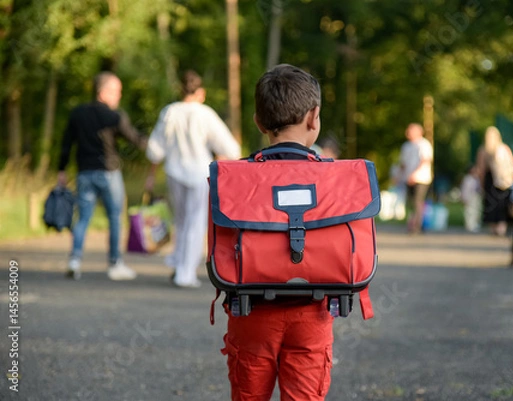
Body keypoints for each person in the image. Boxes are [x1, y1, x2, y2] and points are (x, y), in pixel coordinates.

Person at [220, 64, 333, 401]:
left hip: (250, 311)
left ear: (258, 122)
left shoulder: (235, 179)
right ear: (314, 118)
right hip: (313, 312)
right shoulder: (334, 179)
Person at [145, 70, 241, 288]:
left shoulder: (169, 112)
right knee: (195, 222)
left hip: (174, 171)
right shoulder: (205, 113)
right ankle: (185, 273)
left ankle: (178, 262)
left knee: (180, 219)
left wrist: (150, 175)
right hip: (199, 172)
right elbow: (229, 147)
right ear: (201, 92)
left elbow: (155, 149)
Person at [58, 71, 147, 281]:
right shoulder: (114, 116)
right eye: (116, 91)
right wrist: (154, 146)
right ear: (103, 91)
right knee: (115, 218)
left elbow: (66, 143)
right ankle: (115, 263)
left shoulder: (77, 113)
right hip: (109, 173)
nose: (119, 96)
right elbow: (134, 138)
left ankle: (75, 260)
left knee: (83, 218)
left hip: (84, 173)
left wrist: (61, 170)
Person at [476, 126, 513, 236]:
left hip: (490, 181)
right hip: (504, 181)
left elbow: (481, 169)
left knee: (491, 205)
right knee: (502, 204)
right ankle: (502, 226)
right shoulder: (504, 148)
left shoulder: (483, 150)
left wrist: (481, 183)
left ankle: (494, 228)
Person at [398, 123, 433, 234]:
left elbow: (425, 160)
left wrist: (415, 174)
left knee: (418, 202)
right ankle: (413, 222)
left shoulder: (423, 144)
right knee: (411, 202)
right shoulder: (406, 146)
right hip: (408, 178)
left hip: (421, 178)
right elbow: (403, 163)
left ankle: (416, 226)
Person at [460, 164, 482, 233]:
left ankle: (474, 224)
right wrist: (464, 198)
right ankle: (470, 225)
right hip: (469, 197)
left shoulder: (477, 179)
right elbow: (464, 189)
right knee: (469, 212)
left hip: (475, 196)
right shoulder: (467, 179)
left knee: (476, 211)